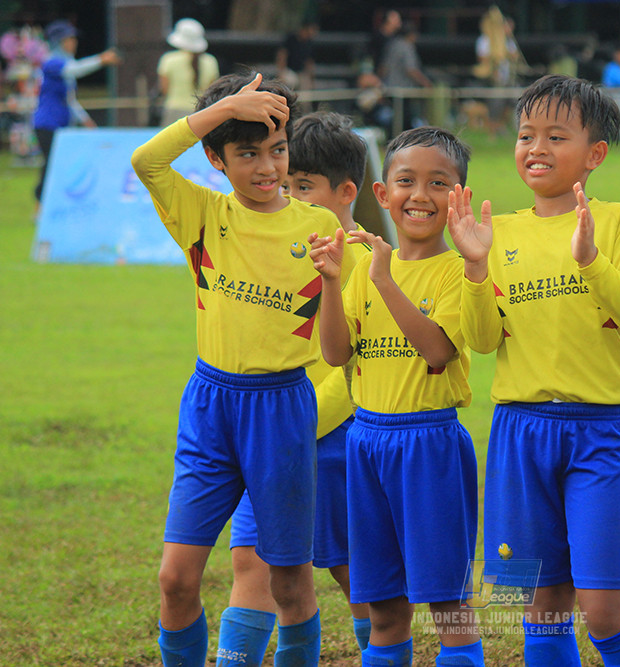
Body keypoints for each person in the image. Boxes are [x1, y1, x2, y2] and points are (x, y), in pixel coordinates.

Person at [447, 74, 620, 666]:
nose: (535, 148)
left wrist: (590, 260)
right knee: (537, 608)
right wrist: (475, 265)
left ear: (595, 155)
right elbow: (484, 341)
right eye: (526, 135)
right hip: (521, 431)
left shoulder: (615, 220)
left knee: (604, 610)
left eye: (555, 136)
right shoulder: (501, 231)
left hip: (600, 432)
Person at [131, 72, 335, 666]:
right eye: (247, 152)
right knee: (175, 579)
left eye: (277, 149)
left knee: (291, 584)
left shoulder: (319, 228)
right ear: (217, 159)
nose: (267, 167)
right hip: (211, 406)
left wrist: (338, 283)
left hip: (283, 408)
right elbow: (148, 160)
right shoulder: (202, 215)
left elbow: (338, 342)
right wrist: (225, 108)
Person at [308, 126, 484, 667]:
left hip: (429, 443)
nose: (421, 195)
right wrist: (335, 284)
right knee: (382, 609)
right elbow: (337, 354)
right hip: (366, 442)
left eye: (438, 183)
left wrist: (385, 280)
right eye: (406, 181)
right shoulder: (363, 272)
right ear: (381, 194)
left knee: (448, 605)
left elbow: (436, 351)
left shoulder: (460, 271)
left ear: (458, 197)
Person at [213, 111, 372, 666]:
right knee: (253, 565)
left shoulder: (365, 263)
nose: (286, 193)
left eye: (302, 185)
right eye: (286, 184)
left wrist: (300, 426)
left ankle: (383, 651)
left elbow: (357, 373)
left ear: (345, 192)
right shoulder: (276, 248)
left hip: (332, 446)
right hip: (271, 439)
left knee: (356, 575)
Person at [32, 19, 119, 203]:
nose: (73, 43)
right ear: (59, 41)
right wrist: (101, 60)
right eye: (69, 39)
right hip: (47, 123)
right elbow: (75, 70)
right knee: (51, 164)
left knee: (57, 163)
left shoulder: (64, 63)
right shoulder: (52, 63)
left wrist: (85, 119)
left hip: (61, 124)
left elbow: (70, 99)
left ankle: (50, 201)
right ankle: (41, 203)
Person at [157, 18, 219, 127]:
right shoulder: (210, 61)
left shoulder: (168, 59)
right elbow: (212, 90)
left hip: (173, 111)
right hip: (200, 112)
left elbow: (164, 89)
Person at [473, 6, 523, 138]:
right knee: (495, 102)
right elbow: (482, 58)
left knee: (511, 100)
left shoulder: (508, 41)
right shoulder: (486, 40)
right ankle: (491, 129)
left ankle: (500, 125)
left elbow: (515, 56)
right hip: (492, 78)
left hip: (506, 78)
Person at [380, 22, 432, 134]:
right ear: (411, 34)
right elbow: (411, 69)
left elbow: (383, 68)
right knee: (405, 117)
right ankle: (404, 142)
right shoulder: (406, 46)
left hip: (390, 88)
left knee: (395, 117)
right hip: (404, 90)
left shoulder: (392, 45)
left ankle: (390, 140)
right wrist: (425, 82)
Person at [275, 21, 318, 93]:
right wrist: (281, 72)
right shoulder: (291, 38)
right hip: (289, 70)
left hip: (301, 72)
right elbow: (282, 55)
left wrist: (311, 78)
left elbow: (309, 62)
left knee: (306, 87)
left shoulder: (309, 43)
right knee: (290, 83)